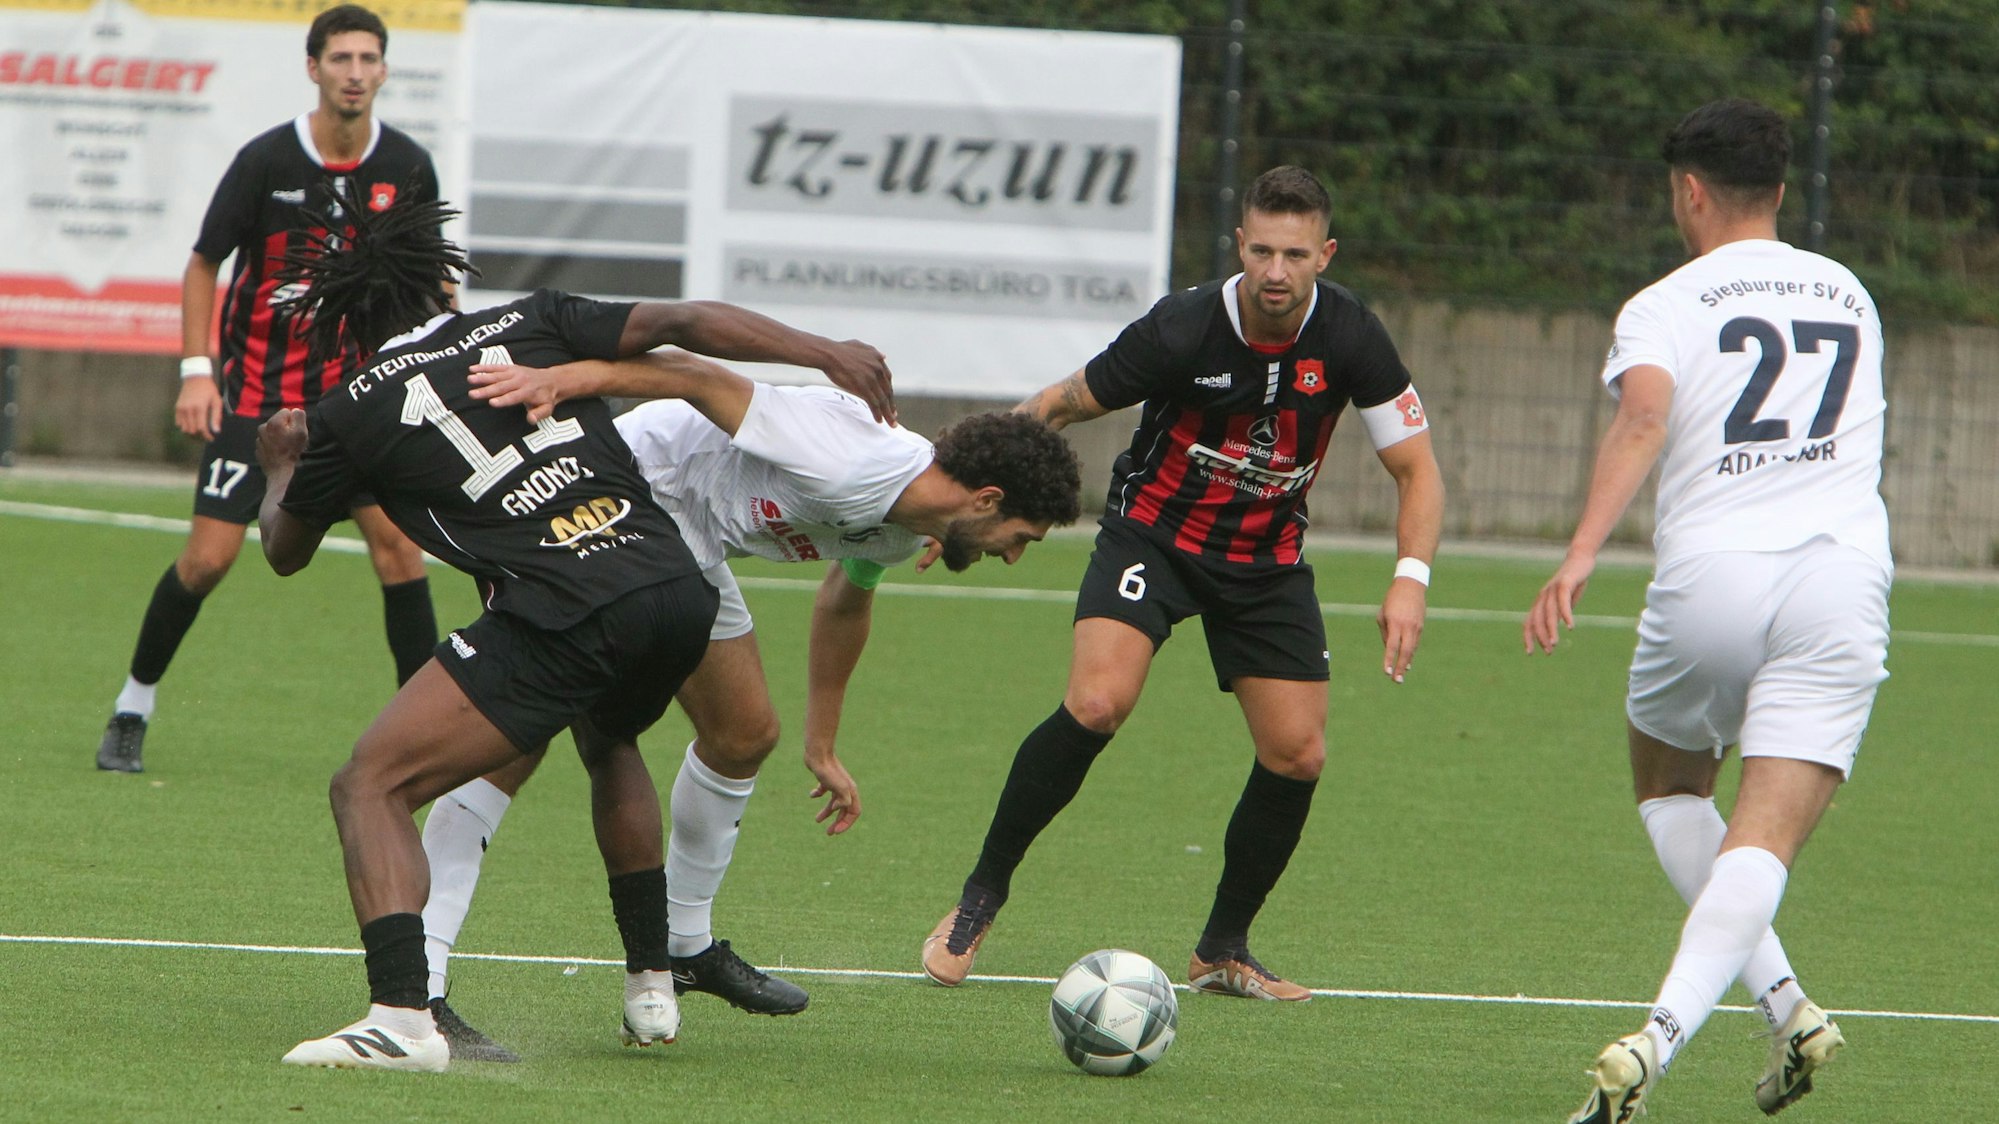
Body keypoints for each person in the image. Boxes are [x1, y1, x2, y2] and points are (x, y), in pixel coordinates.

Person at [252, 183, 896, 1071]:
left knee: (369, 783)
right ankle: (651, 979)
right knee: (610, 738)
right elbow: (691, 318)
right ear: (443, 287)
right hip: (673, 580)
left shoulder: (346, 411)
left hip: (561, 604)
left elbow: (283, 551)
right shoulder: (530, 319)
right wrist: (822, 351)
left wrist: (281, 467)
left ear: (349, 328)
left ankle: (403, 1018)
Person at [414, 353, 1083, 1060]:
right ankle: (418, 987)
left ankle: (683, 948)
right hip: (619, 494)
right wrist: (563, 382)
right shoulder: (848, 460)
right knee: (520, 735)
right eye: (1021, 539)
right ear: (985, 500)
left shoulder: (912, 520)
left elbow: (845, 599)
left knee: (742, 733)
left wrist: (821, 743)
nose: (1013, 556)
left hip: (688, 539)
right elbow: (691, 375)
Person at [920, 165, 1445, 1001]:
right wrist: (947, 498)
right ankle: (979, 897)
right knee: (1096, 703)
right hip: (1153, 539)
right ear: (1240, 244)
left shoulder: (1352, 336)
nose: (1276, 271)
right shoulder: (1179, 328)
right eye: (1263, 250)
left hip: (1265, 559)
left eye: (1296, 254)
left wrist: (1409, 579)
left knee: (1297, 754)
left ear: (1324, 255)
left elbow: (1417, 471)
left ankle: (1222, 948)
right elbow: (1054, 406)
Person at [1524, 99, 1888, 1122]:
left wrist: (1581, 551)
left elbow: (1645, 415)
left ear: (1687, 190)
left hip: (1711, 578)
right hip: (1839, 583)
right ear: (1778, 189)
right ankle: (1711, 1024)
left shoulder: (1661, 302)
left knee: (1672, 787)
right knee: (1763, 839)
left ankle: (1742, 1020)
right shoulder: (1851, 293)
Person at [96, 4, 440, 774]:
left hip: (355, 405)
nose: (354, 72)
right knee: (208, 560)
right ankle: (132, 705)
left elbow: (430, 280)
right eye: (340, 58)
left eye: (367, 59)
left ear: (384, 71)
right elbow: (201, 264)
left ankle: (428, 741)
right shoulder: (266, 161)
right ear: (313, 68)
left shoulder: (408, 168)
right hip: (256, 401)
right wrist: (196, 372)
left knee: (399, 552)